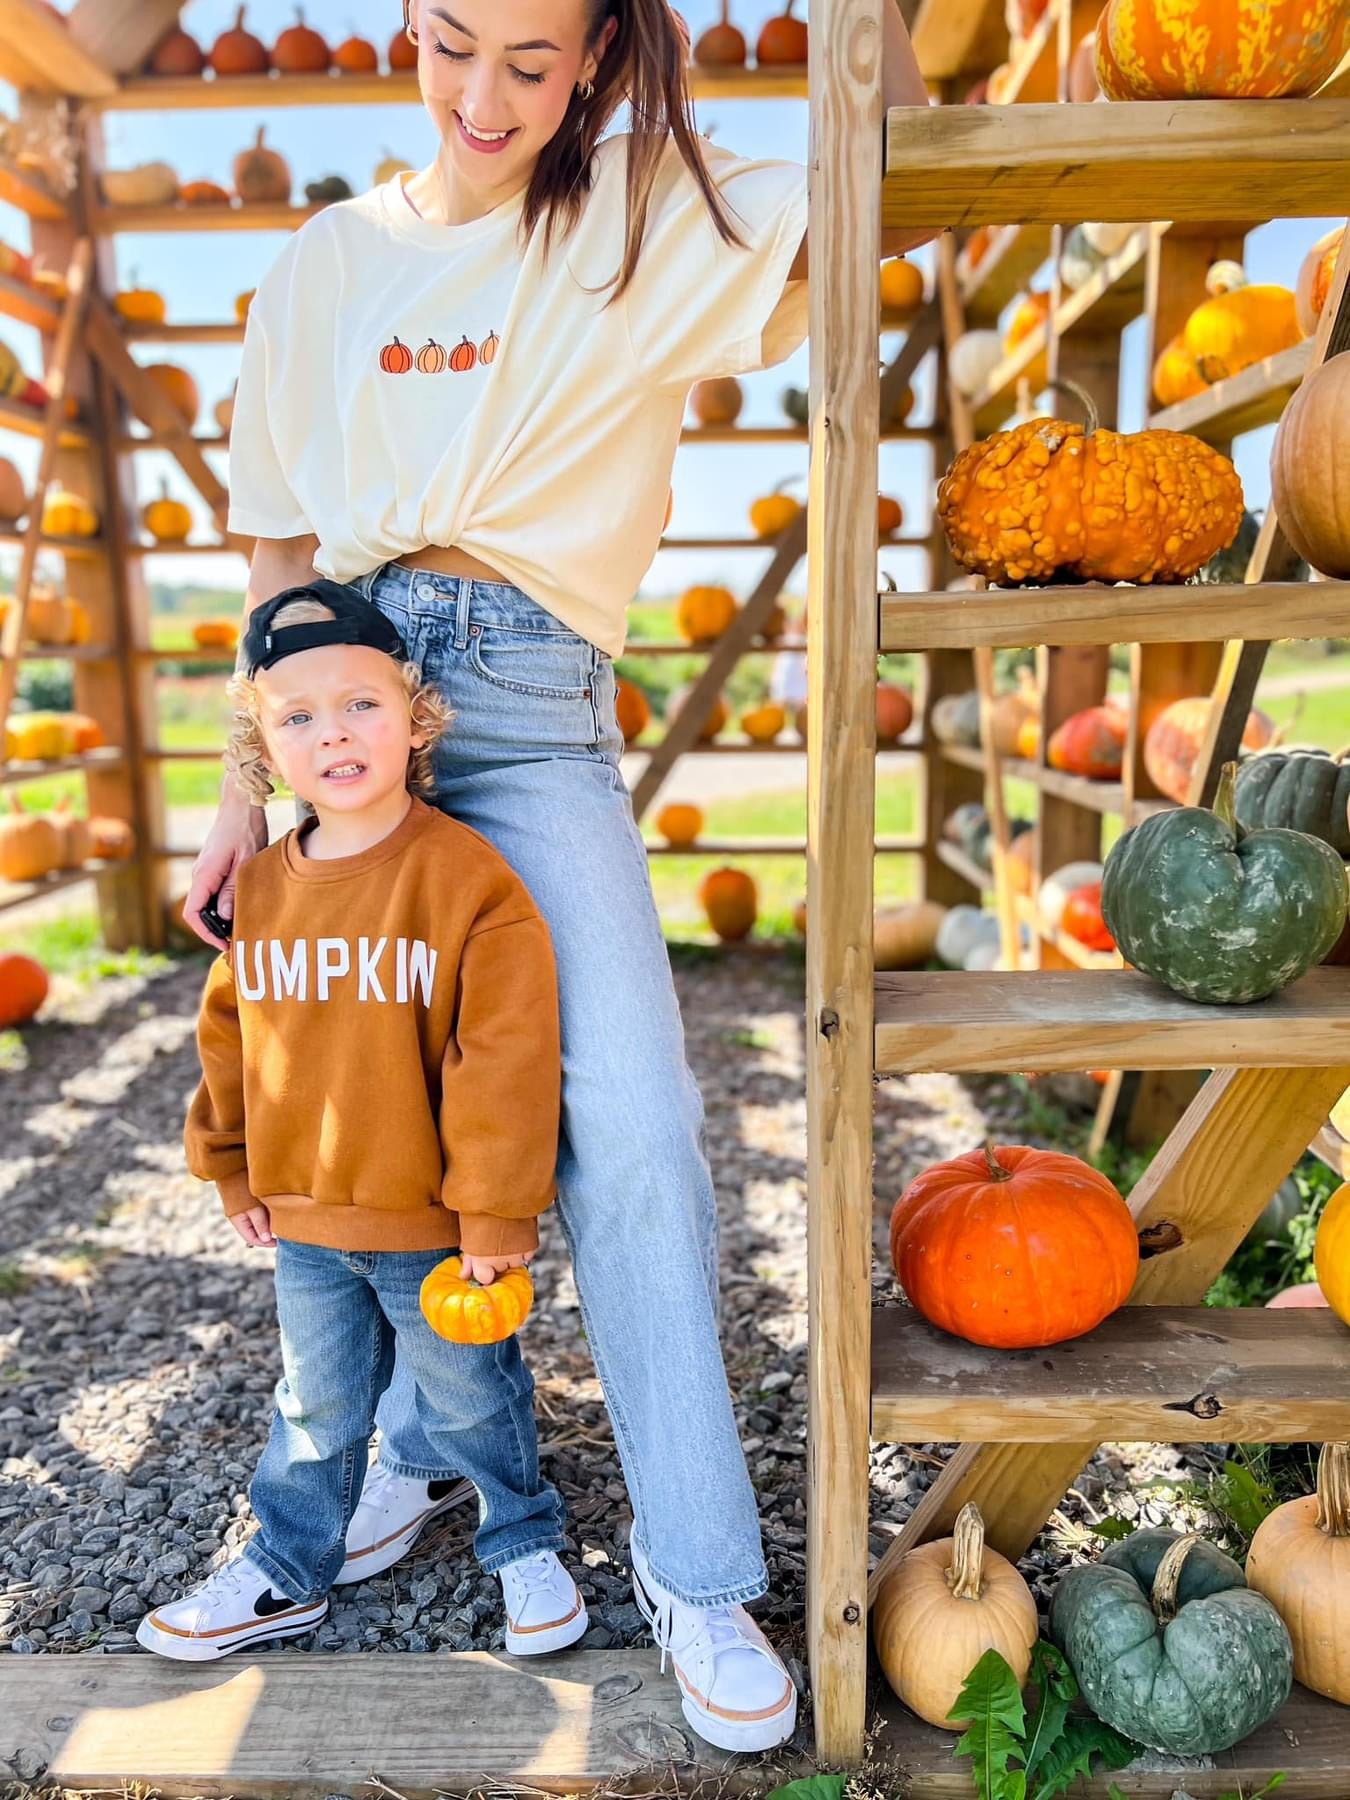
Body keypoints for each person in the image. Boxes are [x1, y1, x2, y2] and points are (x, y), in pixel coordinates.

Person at [184, 0, 933, 1753]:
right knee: (354, 1118)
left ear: (599, 57)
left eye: (534, 58)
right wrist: (242, 779)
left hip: (526, 708)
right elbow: (282, 551)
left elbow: (884, 169)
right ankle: (416, 1456)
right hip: (340, 702)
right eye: (454, 45)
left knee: (636, 1121)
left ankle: (692, 1566)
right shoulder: (322, 266)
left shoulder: (650, 212)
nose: (486, 94)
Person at [139, 583, 588, 1662]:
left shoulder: (468, 883)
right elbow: (229, 1040)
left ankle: (523, 1543)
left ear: (418, 717)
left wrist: (494, 1213)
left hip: (431, 1230)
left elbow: (505, 1061)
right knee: (314, 1408)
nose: (332, 732)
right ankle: (286, 1570)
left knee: (474, 1397)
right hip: (306, 1226)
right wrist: (232, 1171)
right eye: (297, 718)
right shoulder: (263, 889)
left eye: (360, 706)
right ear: (263, 751)